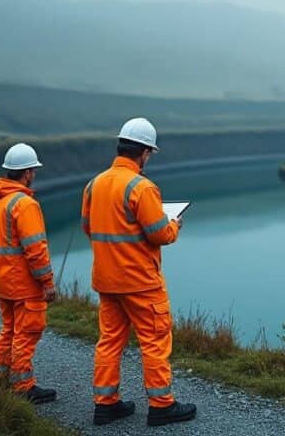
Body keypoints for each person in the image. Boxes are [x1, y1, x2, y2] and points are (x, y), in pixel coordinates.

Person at [81, 118, 196, 426]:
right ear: (144, 152)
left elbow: (88, 228)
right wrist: (174, 225)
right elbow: (160, 234)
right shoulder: (142, 188)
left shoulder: (94, 184)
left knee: (109, 341)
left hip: (107, 280)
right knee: (155, 340)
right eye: (150, 153)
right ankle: (161, 406)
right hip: (141, 284)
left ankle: (105, 405)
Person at [0, 143, 57, 404]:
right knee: (26, 333)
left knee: (9, 330)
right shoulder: (25, 204)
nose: (34, 175)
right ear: (27, 173)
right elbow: (36, 249)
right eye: (33, 171)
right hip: (24, 284)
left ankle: (1, 379)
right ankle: (23, 386)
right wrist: (47, 283)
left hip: (3, 281)